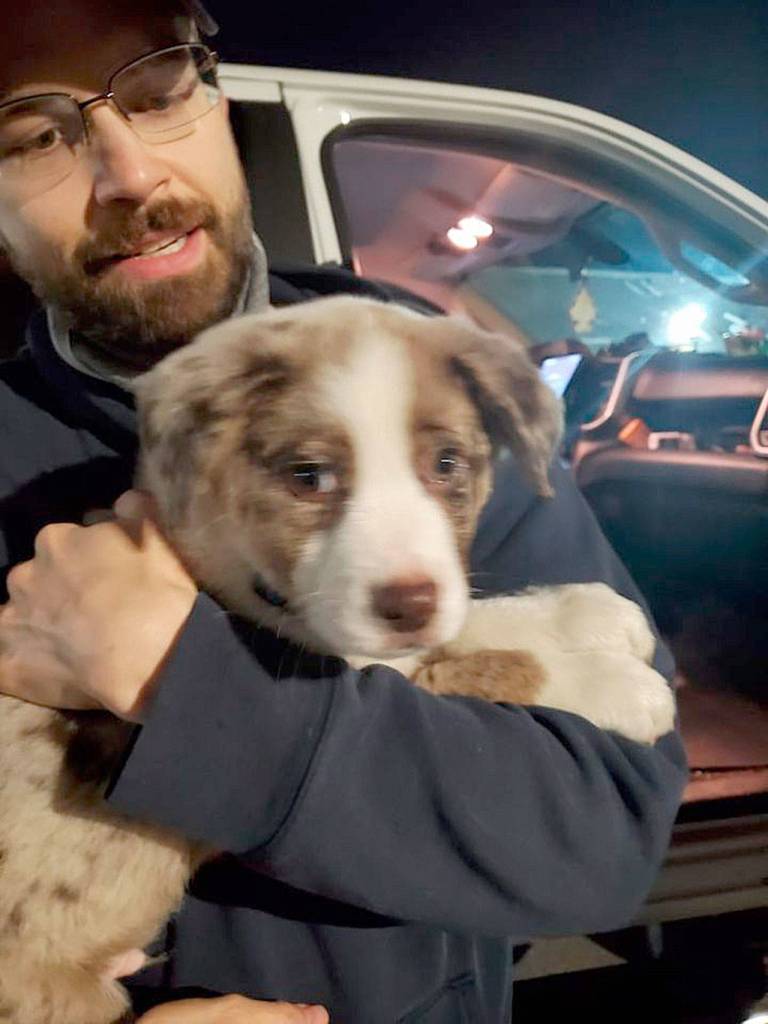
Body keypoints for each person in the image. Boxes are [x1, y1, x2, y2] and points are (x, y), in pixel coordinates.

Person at [0, 0, 688, 1020]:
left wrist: (171, 676)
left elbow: (598, 838)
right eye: (32, 136)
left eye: (158, 93)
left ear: (216, 102)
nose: (131, 175)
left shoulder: (418, 369)